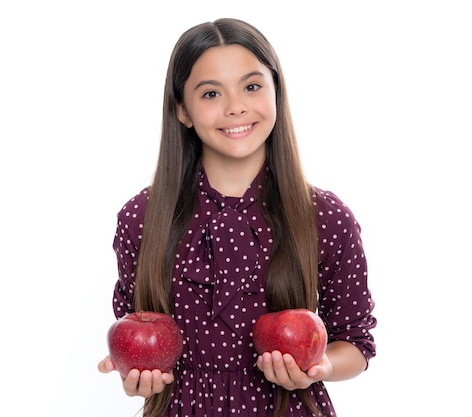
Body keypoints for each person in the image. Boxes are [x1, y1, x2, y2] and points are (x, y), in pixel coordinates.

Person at [98, 17, 377, 417]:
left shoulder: (325, 217)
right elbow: (135, 335)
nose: (235, 107)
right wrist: (138, 374)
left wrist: (322, 366)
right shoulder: (143, 218)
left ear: (276, 92)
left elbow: (357, 343)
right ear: (183, 110)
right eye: (211, 93)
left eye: (251, 86)